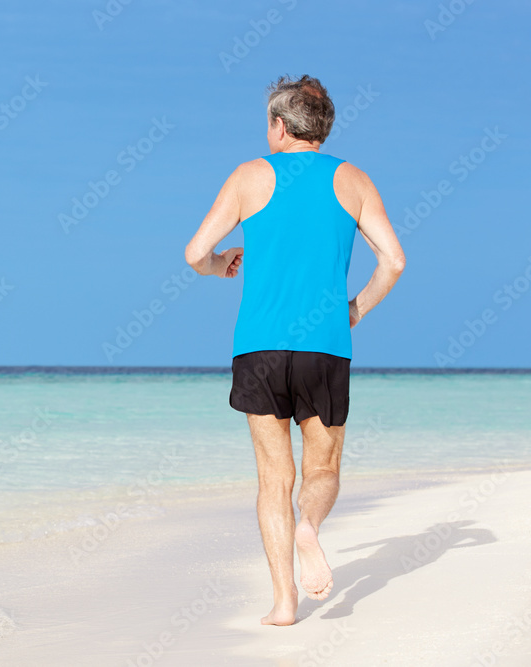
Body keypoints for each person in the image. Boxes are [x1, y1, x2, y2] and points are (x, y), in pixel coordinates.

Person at [184, 74, 406, 626]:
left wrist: (221, 265)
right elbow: (394, 262)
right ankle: (310, 528)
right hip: (325, 347)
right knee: (323, 468)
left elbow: (194, 253)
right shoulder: (352, 179)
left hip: (258, 349)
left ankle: (284, 604)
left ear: (280, 127)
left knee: (271, 479)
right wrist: (355, 310)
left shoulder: (249, 176)